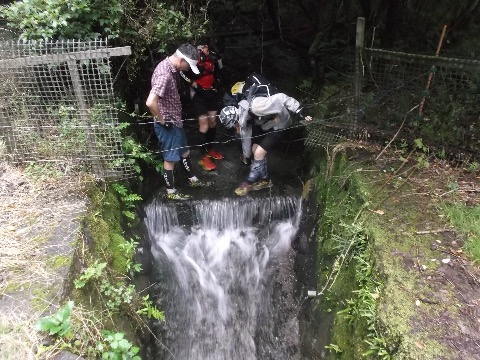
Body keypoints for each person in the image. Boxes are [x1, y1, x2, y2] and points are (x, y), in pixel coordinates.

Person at [219, 73, 312, 196]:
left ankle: (251, 181)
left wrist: (300, 111)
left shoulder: (256, 106)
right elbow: (246, 139)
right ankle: (265, 179)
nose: (236, 128)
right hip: (268, 125)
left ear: (236, 120)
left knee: (259, 153)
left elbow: (281, 98)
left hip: (280, 123)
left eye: (234, 125)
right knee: (254, 149)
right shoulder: (243, 119)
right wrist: (246, 157)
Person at [146, 43, 212, 201]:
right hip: (168, 124)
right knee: (170, 158)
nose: (188, 69)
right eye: (188, 65)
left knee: (184, 151)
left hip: (176, 121)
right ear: (181, 60)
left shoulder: (171, 68)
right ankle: (171, 192)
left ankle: (192, 180)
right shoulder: (164, 74)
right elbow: (150, 102)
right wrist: (162, 121)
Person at [180, 44, 224, 171]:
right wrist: (193, 85)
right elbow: (183, 72)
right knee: (204, 125)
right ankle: (203, 157)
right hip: (198, 94)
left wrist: (216, 85)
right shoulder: (195, 58)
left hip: (211, 92)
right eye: (205, 48)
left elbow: (219, 72)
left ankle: (210, 149)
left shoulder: (214, 58)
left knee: (213, 122)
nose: (207, 50)